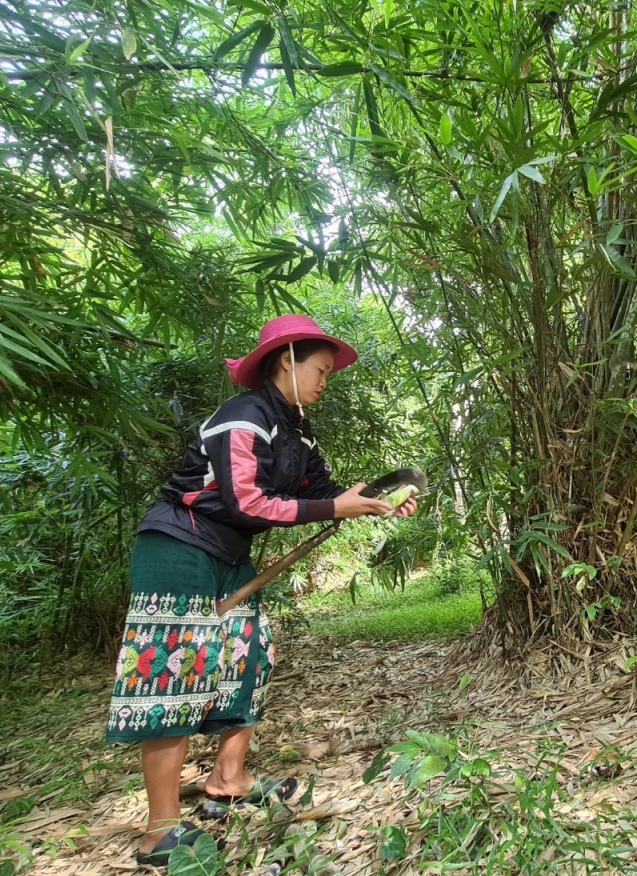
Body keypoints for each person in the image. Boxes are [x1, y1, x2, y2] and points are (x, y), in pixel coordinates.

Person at [105, 314, 417, 866]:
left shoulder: (296, 430)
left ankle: (230, 780)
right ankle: (160, 829)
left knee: (247, 658)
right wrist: (336, 505)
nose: (325, 381)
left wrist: (377, 499)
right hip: (179, 547)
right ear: (285, 360)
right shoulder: (242, 417)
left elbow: (324, 492)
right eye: (319, 370)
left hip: (229, 555)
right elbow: (245, 501)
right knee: (177, 666)